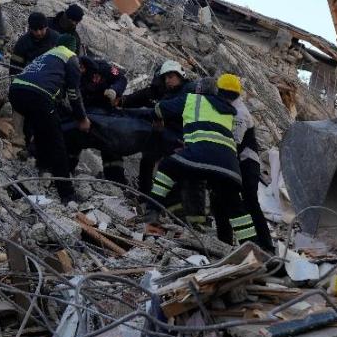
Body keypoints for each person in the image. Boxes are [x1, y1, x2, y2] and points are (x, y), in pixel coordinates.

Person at [148, 74, 258, 247]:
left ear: (198, 90)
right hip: (230, 167)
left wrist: (154, 116)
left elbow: (160, 109)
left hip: (201, 155)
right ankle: (252, 245)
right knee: (236, 207)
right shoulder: (229, 109)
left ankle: (152, 211)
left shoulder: (191, 99)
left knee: (167, 166)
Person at [10, 34, 90, 203]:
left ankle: (41, 166)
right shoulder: (70, 57)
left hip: (16, 92)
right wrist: (82, 118)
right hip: (38, 96)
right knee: (57, 142)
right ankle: (67, 195)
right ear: (74, 48)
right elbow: (74, 93)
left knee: (42, 128)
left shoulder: (47, 55)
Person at [120, 60, 194, 199]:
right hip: (166, 135)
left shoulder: (187, 91)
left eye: (171, 77)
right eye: (165, 78)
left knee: (171, 170)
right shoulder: (166, 93)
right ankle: (145, 195)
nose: (167, 81)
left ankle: (169, 203)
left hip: (181, 137)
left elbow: (162, 111)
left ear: (180, 76)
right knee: (148, 157)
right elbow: (138, 101)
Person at [229, 95, 274, 251]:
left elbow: (235, 141)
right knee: (248, 203)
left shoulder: (239, 113)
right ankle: (260, 243)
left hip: (247, 163)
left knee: (251, 203)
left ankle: (265, 245)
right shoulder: (236, 109)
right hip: (246, 163)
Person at [78, 55, 129, 185]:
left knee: (110, 144)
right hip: (85, 111)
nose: (80, 70)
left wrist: (114, 90)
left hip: (106, 111)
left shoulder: (103, 67)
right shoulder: (73, 72)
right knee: (75, 138)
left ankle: (116, 182)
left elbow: (121, 79)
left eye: (82, 67)